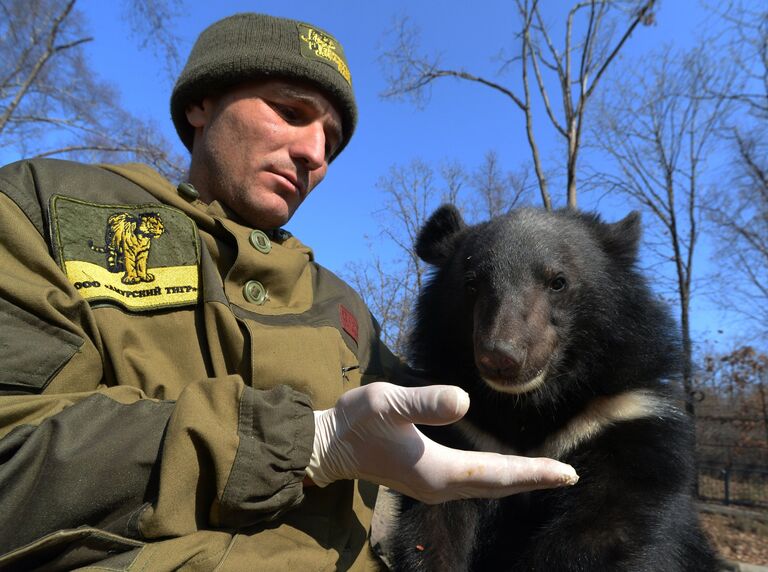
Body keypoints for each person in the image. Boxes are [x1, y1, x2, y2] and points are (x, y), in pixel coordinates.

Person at [0, 12, 577, 571]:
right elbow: (13, 463)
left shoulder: (344, 306)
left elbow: (461, 425)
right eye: (290, 111)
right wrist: (305, 444)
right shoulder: (40, 211)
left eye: (331, 138)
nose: (315, 154)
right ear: (201, 103)